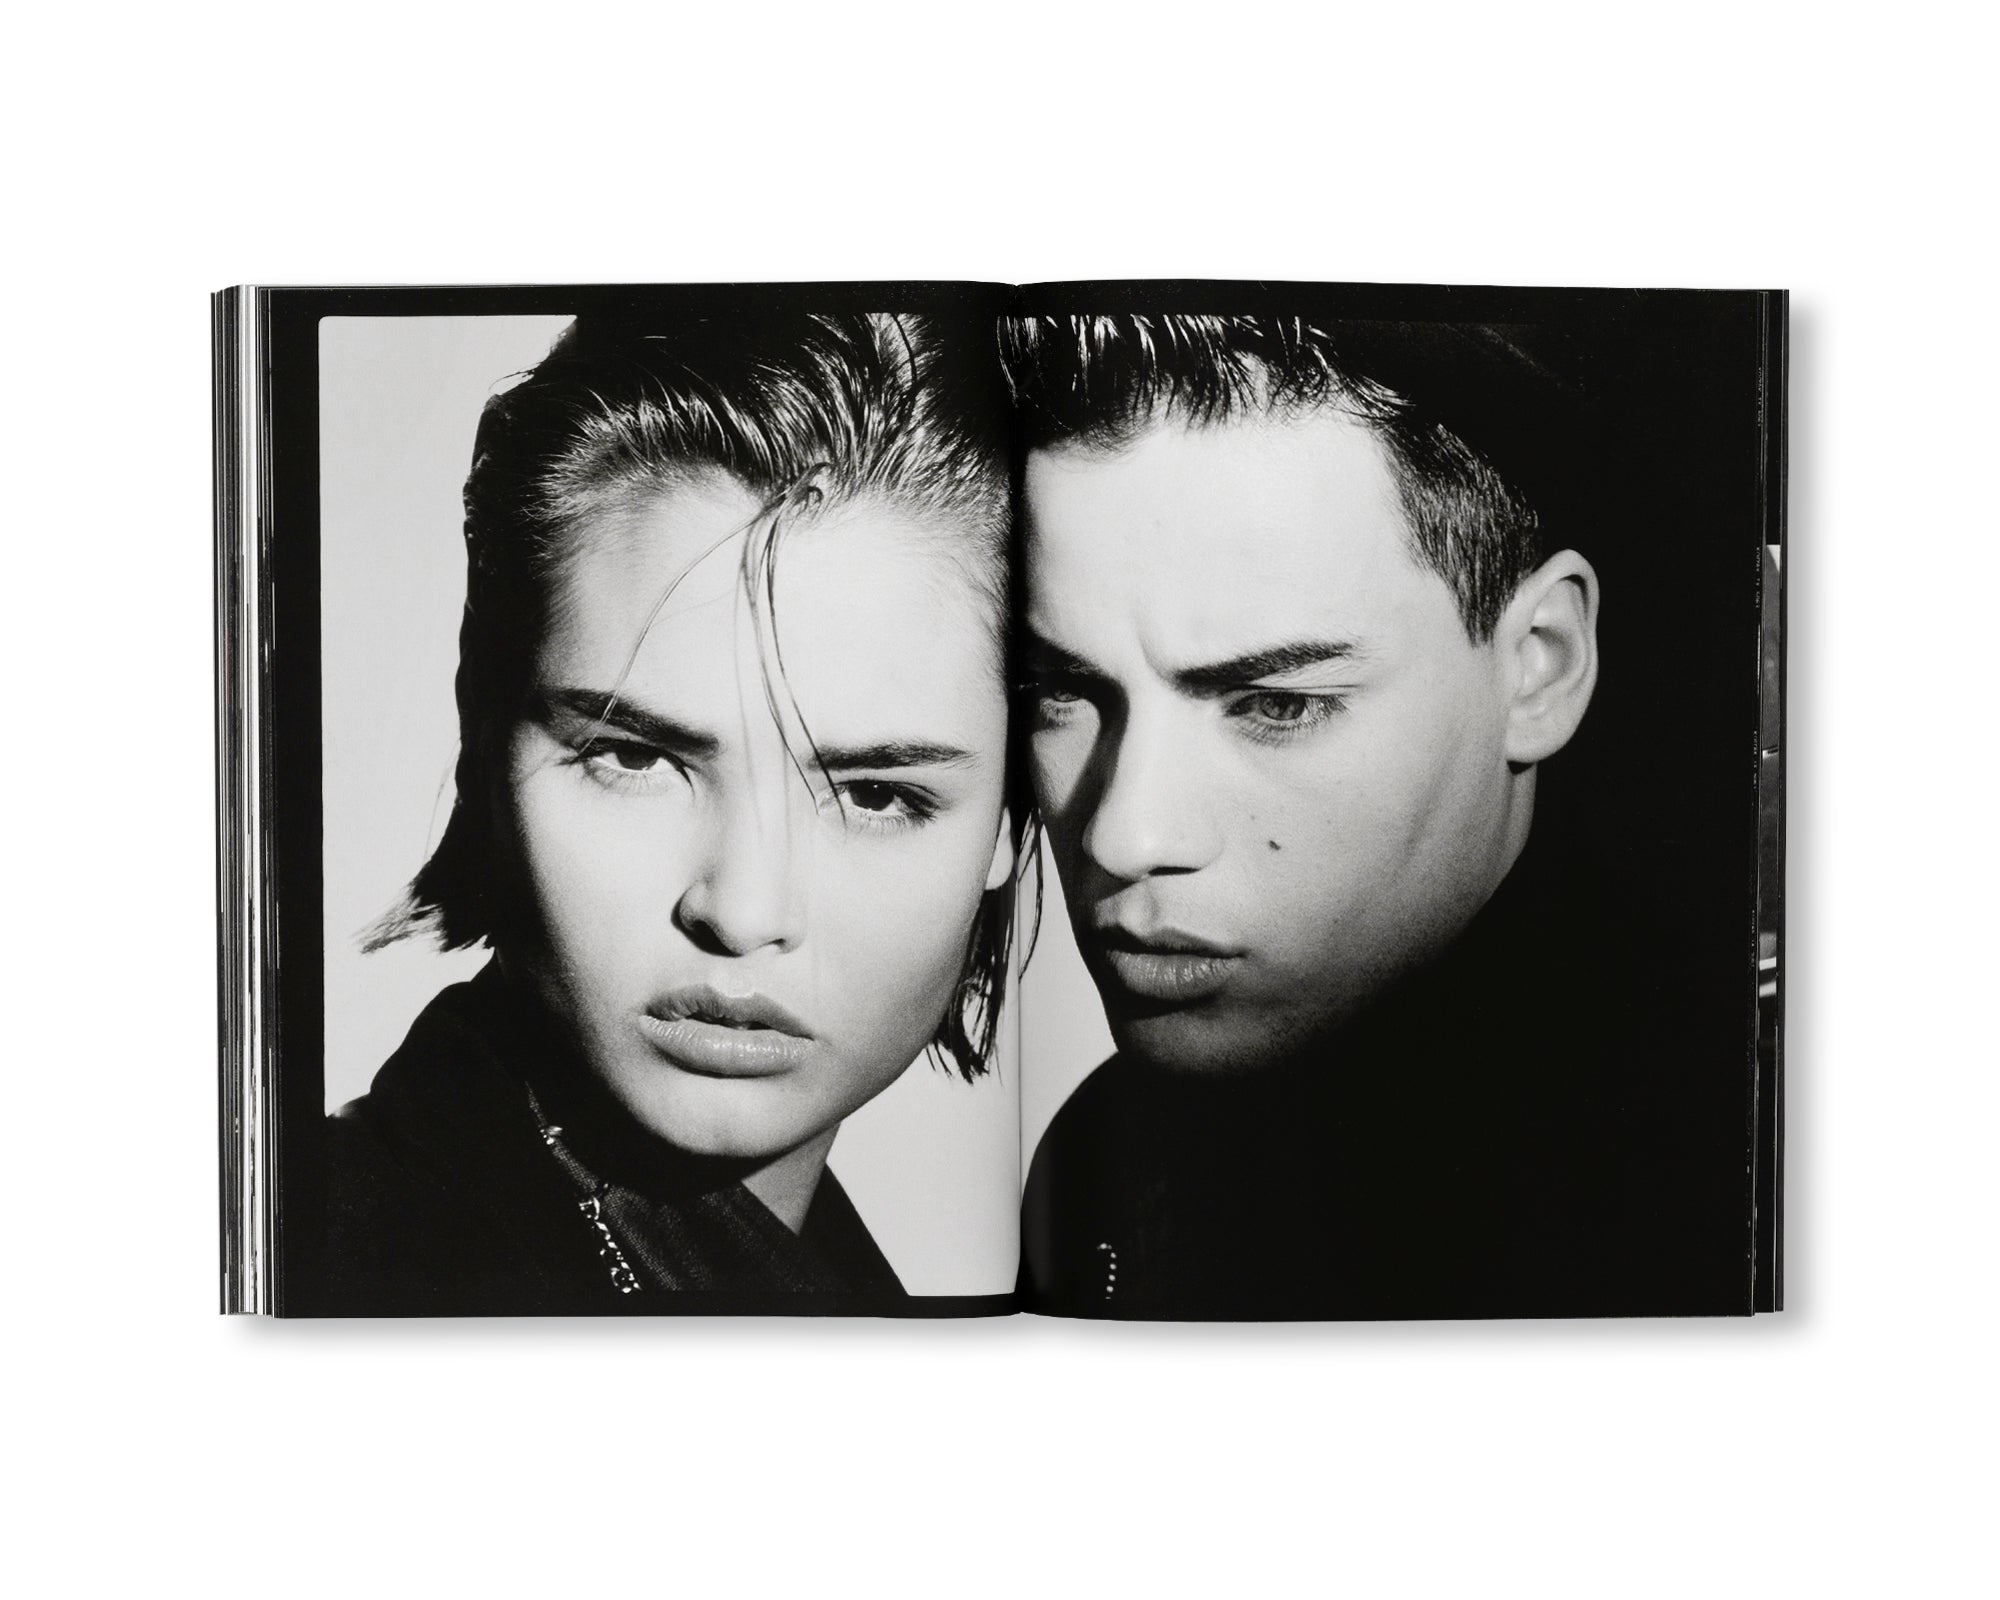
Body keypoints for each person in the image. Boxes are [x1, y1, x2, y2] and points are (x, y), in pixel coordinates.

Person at [1006, 311, 1751, 1319]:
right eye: (1059, 692)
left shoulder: (1713, 1181)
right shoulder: (1101, 1156)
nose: (1124, 836)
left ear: (1537, 667)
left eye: (1277, 705)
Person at [321, 308, 1024, 1314]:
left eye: (876, 793)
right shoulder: (342, 1268)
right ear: (483, 735)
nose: (742, 911)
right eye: (636, 757)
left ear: (1009, 821)